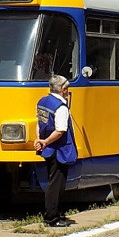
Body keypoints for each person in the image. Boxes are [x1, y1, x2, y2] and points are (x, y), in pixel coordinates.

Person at [34, 75, 77, 227]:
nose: (68, 92)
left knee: (53, 182)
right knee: (56, 185)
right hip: (59, 150)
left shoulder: (42, 102)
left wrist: (39, 139)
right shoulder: (61, 107)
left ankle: (55, 214)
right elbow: (60, 131)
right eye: (67, 89)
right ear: (63, 90)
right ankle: (52, 217)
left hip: (47, 150)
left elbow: (39, 123)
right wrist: (45, 142)